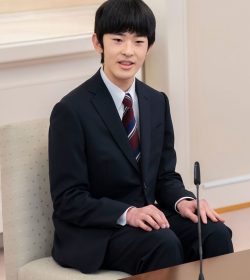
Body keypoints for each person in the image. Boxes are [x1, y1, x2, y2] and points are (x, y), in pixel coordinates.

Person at [48, 0, 233, 275]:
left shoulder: (156, 102)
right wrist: (129, 214)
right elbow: (68, 199)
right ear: (98, 43)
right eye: (118, 40)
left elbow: (164, 177)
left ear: (149, 47)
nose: (128, 51)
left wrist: (183, 201)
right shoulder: (71, 111)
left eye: (138, 42)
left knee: (215, 233)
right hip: (99, 231)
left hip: (148, 219)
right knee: (163, 244)